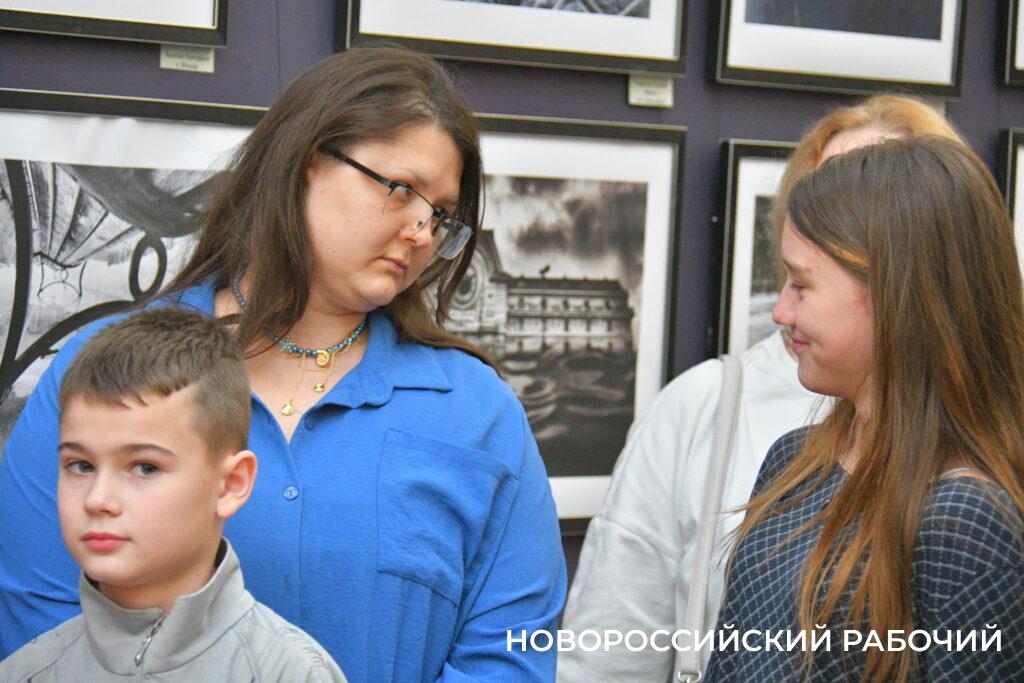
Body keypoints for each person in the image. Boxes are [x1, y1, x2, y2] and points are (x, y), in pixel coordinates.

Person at [0, 47, 566, 682]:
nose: (421, 233)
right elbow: (38, 625)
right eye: (402, 191)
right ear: (304, 165)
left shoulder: (476, 412)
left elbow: (511, 655)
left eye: (440, 216)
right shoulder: (101, 367)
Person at [558, 95, 966, 682]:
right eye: (831, 194)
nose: (849, 210)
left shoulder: (981, 459)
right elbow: (609, 655)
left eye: (884, 199)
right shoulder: (705, 406)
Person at [706, 137, 1024, 681]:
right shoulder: (795, 461)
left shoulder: (964, 521)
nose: (781, 311)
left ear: (896, 294)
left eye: (801, 284)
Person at [0, 307, 347, 682]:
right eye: (81, 465)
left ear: (231, 484)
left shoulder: (289, 673)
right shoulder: (26, 673)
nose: (98, 500)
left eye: (145, 467)